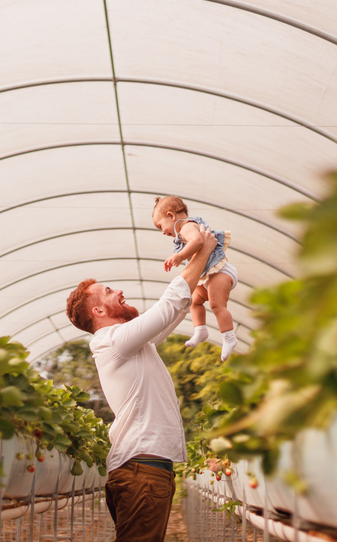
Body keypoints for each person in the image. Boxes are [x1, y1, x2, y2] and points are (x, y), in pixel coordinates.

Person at [64, 236, 216, 542]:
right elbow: (167, 305)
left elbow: (173, 312)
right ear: (98, 312)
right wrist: (205, 250)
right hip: (141, 472)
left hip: (146, 471)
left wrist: (201, 271)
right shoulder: (111, 341)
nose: (119, 291)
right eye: (108, 292)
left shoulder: (132, 344)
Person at [152, 195, 238, 361]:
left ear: (171, 216)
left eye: (161, 226)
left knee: (216, 304)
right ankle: (200, 330)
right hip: (208, 275)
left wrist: (179, 256)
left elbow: (198, 241)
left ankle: (229, 337)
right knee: (194, 300)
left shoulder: (187, 226)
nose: (163, 232)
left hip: (220, 272)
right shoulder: (183, 231)